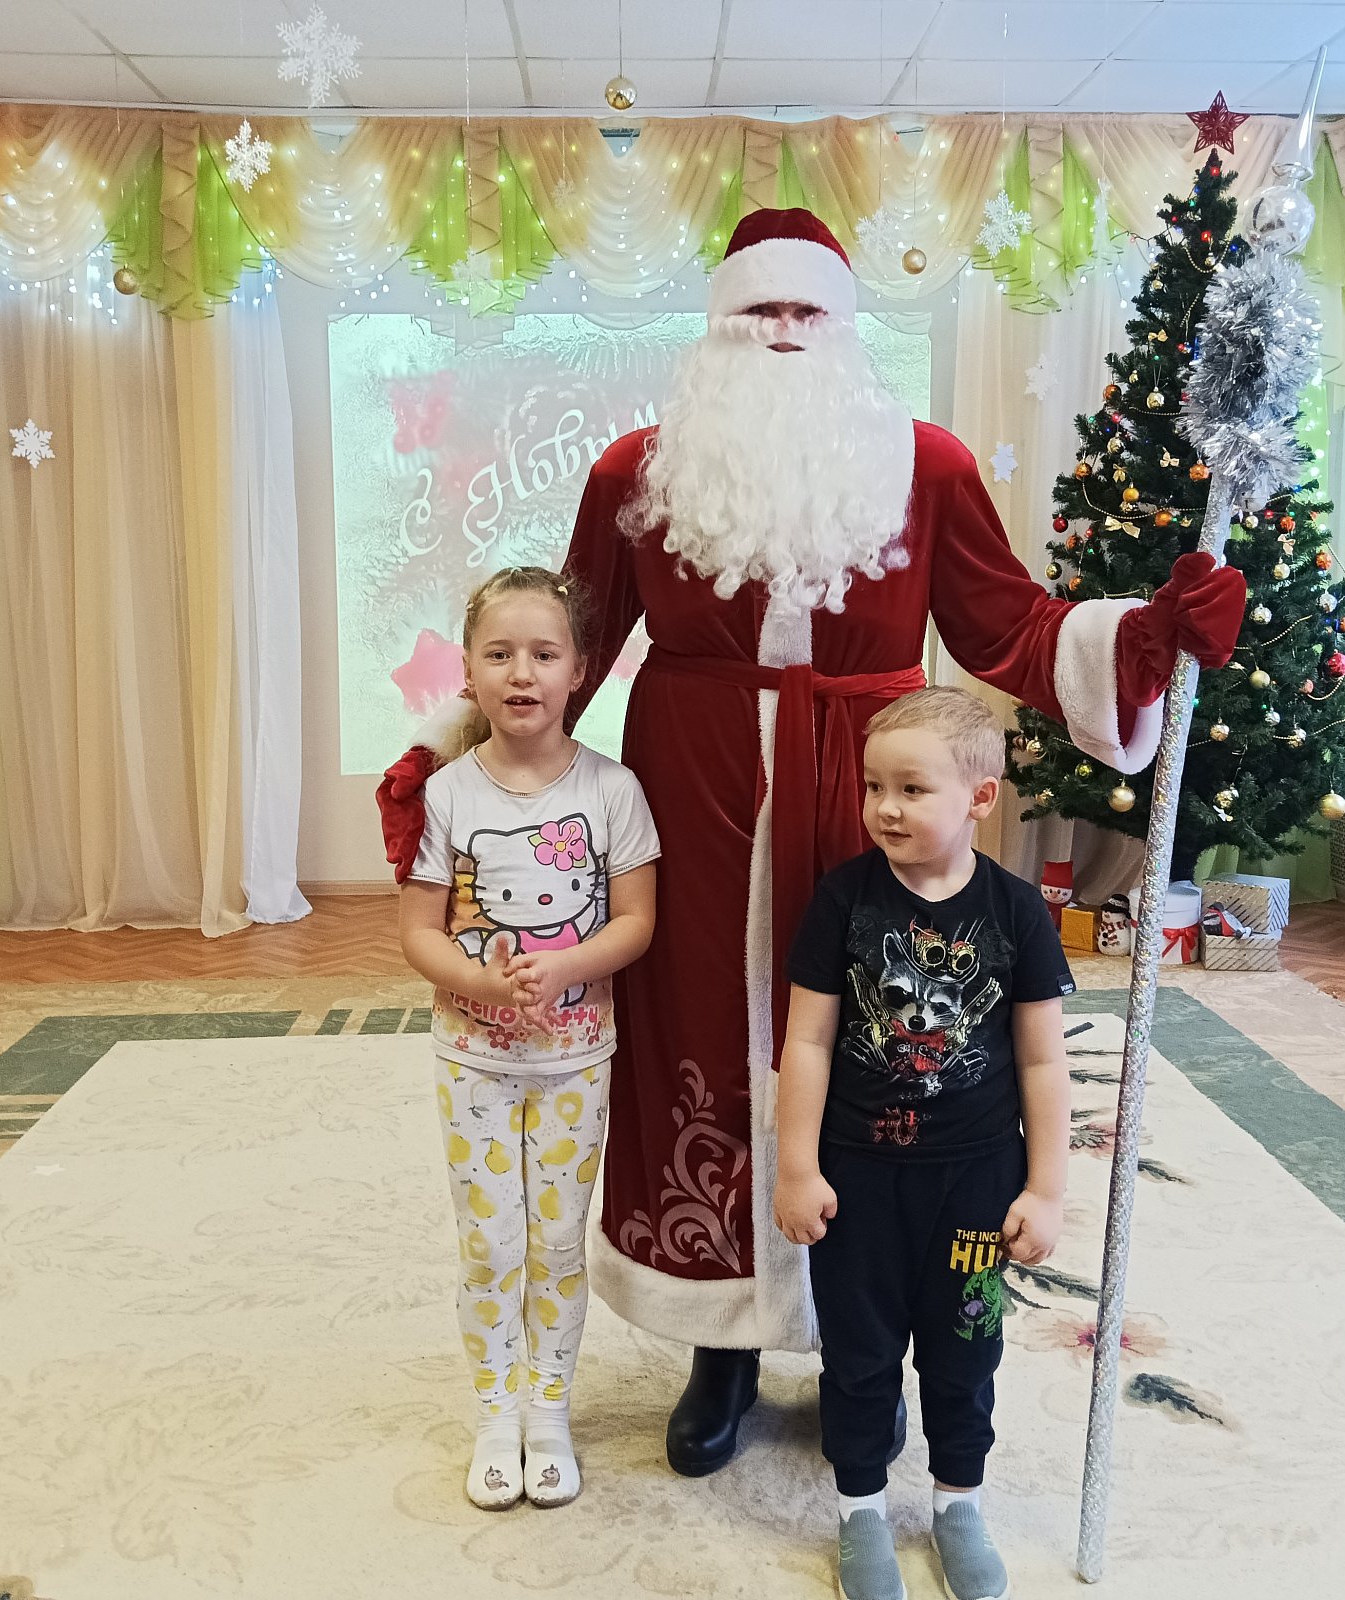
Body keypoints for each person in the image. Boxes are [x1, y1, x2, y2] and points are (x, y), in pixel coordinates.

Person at [559, 206, 1245, 1475]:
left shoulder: (924, 464)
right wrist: (456, 766)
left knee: (879, 1049)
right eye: (756, 310)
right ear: (714, 327)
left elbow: (1006, 627)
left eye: (804, 310)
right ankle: (721, 1340)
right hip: (693, 791)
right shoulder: (631, 475)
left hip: (869, 789)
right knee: (701, 1031)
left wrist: (1143, 639)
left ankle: (852, 1335)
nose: (781, 332)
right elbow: (575, 641)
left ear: (843, 327)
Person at [775, 686, 1070, 1600]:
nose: (886, 808)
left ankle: (957, 1503)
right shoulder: (843, 898)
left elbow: (1042, 1062)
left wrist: (1046, 1189)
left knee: (965, 1349)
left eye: (911, 789)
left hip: (978, 1183)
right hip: (859, 1179)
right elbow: (807, 1040)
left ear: (980, 798)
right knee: (859, 1353)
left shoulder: (1017, 912)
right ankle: (861, 1510)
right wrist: (796, 1167)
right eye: (874, 787)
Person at [395, 566, 660, 1510]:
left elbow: (637, 921)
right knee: (491, 1243)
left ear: (580, 670)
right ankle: (494, 1413)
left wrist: (564, 965)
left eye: (545, 654)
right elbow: (419, 933)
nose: (522, 673)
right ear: (468, 671)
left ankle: (547, 1412)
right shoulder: (446, 795)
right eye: (499, 653)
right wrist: (483, 983)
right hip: (473, 1061)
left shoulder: (613, 789)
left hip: (575, 1062)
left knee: (555, 1243)